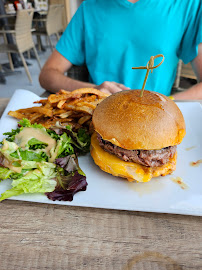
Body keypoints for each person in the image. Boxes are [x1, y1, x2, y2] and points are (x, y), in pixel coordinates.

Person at [39, 0, 202, 99]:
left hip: (155, 118)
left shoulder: (188, 5)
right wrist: (93, 91)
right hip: (98, 113)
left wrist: (167, 103)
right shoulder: (89, 8)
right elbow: (48, 74)